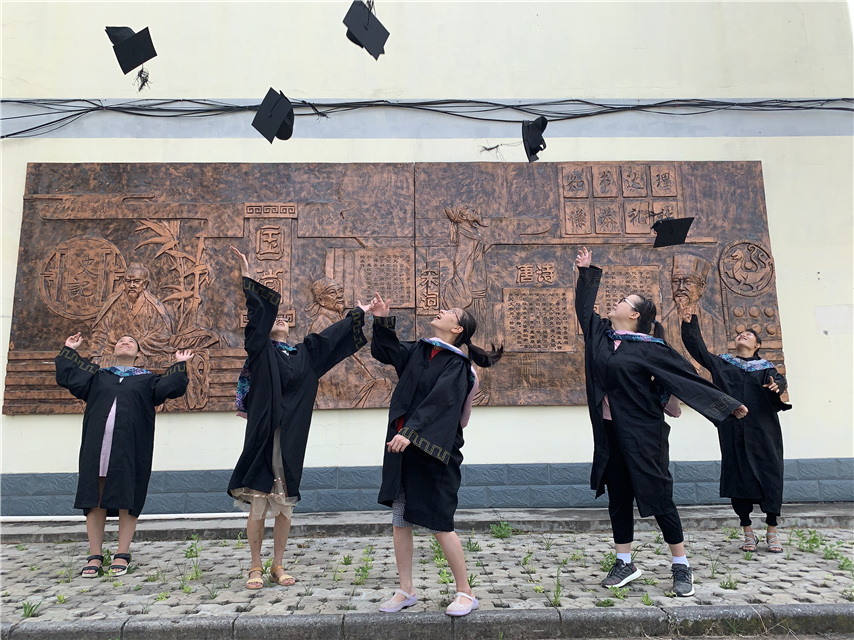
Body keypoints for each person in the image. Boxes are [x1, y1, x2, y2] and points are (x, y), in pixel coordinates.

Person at [574, 247, 747, 598]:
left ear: (634, 314)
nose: (615, 303)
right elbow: (583, 309)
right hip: (609, 433)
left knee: (658, 496)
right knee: (618, 496)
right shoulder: (601, 337)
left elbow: (685, 377)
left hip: (644, 433)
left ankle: (681, 564)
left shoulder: (651, 348)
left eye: (623, 301)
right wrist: (587, 272)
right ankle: (625, 562)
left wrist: (727, 405)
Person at [227, 247, 371, 590]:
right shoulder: (261, 353)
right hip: (263, 438)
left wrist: (360, 313)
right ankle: (255, 566)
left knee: (285, 507)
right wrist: (249, 278)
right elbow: (256, 319)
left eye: (284, 319)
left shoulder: (305, 355)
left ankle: (278, 564)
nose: (279, 320)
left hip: (291, 439)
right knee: (258, 506)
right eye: (275, 319)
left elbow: (332, 339)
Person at [369, 292, 502, 617]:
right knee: (401, 520)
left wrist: (410, 433)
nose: (442, 310)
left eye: (450, 311)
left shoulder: (457, 365)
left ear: (458, 329)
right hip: (402, 447)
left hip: (434, 452)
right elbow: (386, 351)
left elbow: (440, 402)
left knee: (441, 523)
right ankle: (406, 590)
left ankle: (466, 592)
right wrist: (382, 320)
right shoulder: (420, 350)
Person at [55, 333, 192, 578]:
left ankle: (122, 553)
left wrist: (180, 364)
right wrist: (70, 349)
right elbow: (69, 377)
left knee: (128, 495)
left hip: (131, 447)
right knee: (94, 496)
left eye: (131, 342)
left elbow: (171, 387)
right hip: (97, 446)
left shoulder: (148, 380)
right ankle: (95, 555)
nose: (125, 342)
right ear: (114, 350)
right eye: (120, 341)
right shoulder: (98, 377)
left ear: (139, 353)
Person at [681, 314, 791, 553]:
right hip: (733, 429)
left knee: (770, 473)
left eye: (749, 335)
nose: (743, 335)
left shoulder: (766, 369)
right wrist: (690, 324)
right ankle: (748, 531)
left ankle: (772, 531)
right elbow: (698, 350)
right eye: (741, 333)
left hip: (764, 429)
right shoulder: (723, 364)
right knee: (738, 475)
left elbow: (780, 382)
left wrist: (777, 386)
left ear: (757, 345)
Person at [90, 262, 173, 363]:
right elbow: (100, 331)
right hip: (111, 358)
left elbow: (162, 335)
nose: (132, 285)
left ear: (145, 284)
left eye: (136, 281)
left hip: (144, 358)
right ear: (124, 283)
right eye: (128, 281)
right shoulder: (113, 304)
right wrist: (96, 353)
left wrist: (135, 347)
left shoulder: (154, 306)